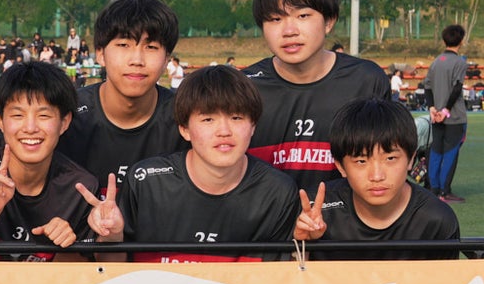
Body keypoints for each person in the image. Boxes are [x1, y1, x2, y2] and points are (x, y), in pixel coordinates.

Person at [85, 63, 315, 261]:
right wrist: (111, 237)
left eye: (236, 118)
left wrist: (305, 245)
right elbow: (113, 271)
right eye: (208, 119)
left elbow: (282, 278)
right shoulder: (146, 181)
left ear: (253, 126)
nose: (224, 131)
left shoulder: (277, 192)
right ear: (184, 129)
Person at [243, 0, 391, 195]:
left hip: (343, 216)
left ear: (329, 21)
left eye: (303, 16)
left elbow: (383, 162)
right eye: (275, 19)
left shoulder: (366, 81)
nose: (289, 31)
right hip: (265, 216)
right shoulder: (244, 88)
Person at [0, 61, 96, 257]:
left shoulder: (81, 188)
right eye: (18, 115)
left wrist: (65, 246)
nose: (30, 128)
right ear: (0, 120)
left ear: (64, 122)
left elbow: (88, 271)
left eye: (43, 115)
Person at [60, 0, 186, 195]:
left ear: (166, 60)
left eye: (151, 47)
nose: (137, 60)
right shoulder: (66, 117)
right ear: (100, 54)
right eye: (123, 45)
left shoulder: (185, 120)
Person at [308, 96, 459, 256]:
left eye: (390, 159)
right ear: (340, 166)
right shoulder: (315, 211)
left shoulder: (437, 219)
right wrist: (301, 245)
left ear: (410, 159)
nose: (377, 176)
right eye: (361, 161)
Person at [423, 24, 469, 202]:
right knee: (450, 152)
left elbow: (427, 87)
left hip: (436, 116)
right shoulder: (460, 62)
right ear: (461, 41)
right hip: (454, 116)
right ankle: (445, 191)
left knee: (436, 151)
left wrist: (432, 108)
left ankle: (433, 189)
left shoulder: (436, 62)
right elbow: (457, 88)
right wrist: (446, 110)